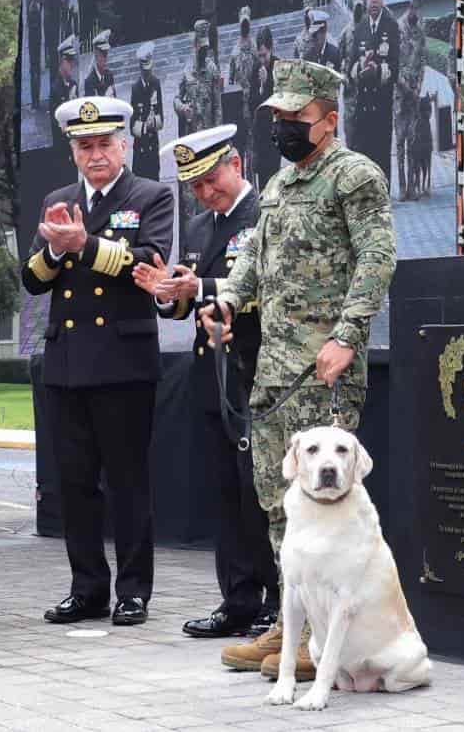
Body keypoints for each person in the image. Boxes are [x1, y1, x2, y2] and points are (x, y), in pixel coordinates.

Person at [201, 59, 396, 683]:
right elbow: (253, 256)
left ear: (329, 119)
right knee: (280, 505)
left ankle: (319, 638)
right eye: (278, 117)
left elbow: (378, 254)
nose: (283, 127)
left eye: (296, 118)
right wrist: (227, 299)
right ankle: (293, 624)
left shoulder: (353, 177)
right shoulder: (281, 186)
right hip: (274, 371)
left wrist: (348, 334)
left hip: (324, 367)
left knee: (326, 508)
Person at [22, 96, 174, 628]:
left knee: (128, 483)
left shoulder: (151, 196)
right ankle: (86, 588)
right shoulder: (59, 198)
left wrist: (83, 244)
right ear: (73, 153)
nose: (96, 154)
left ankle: (133, 591)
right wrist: (58, 250)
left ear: (125, 146)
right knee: (75, 484)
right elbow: (33, 278)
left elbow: (148, 262)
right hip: (66, 364)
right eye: (85, 146)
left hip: (124, 363)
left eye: (105, 144)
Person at [134, 125, 278, 639]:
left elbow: (269, 287)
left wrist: (204, 286)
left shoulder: (267, 214)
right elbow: (184, 302)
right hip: (209, 374)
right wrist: (165, 293)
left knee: (262, 492)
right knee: (226, 494)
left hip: (255, 371)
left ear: (236, 164)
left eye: (211, 179)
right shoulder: (197, 227)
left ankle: (278, 602)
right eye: (194, 185)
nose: (204, 192)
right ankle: (237, 598)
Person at [348, 0, 400, 183]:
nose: (375, 0)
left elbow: (395, 68)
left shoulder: (391, 25)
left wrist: (377, 70)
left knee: (381, 159)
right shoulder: (359, 29)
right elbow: (350, 67)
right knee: (365, 160)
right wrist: (360, 68)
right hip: (363, 106)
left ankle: (383, 203)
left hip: (381, 105)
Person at [395, 0, 427, 201]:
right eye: (414, 9)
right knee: (399, 144)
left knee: (412, 142)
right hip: (400, 95)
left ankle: (413, 188)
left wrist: (418, 87)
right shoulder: (398, 28)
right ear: (409, 7)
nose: (416, 13)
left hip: (414, 95)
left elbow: (423, 60)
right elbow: (394, 64)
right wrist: (405, 87)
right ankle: (402, 188)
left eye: (419, 9)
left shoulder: (420, 31)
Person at [176, 19, 223, 137]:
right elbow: (176, 99)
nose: (204, 52)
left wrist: (218, 134)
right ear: (195, 45)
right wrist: (183, 108)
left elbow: (217, 106)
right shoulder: (187, 71)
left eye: (206, 48)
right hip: (193, 132)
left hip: (209, 130)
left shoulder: (212, 69)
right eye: (201, 48)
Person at [247, 26, 280, 190]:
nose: (262, 60)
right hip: (260, 134)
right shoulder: (255, 70)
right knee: (263, 186)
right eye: (259, 56)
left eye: (264, 55)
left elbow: (281, 99)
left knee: (275, 181)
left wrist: (267, 84)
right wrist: (260, 87)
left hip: (275, 134)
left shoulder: (278, 66)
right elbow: (252, 102)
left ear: (271, 49)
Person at [129, 42, 164, 181]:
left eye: (150, 70)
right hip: (141, 149)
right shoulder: (135, 89)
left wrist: (154, 122)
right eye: (146, 71)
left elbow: (161, 116)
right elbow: (132, 126)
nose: (149, 73)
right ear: (141, 69)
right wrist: (144, 126)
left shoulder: (156, 83)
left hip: (153, 146)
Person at [229, 6, 259, 163]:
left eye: (247, 24)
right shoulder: (234, 53)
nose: (245, 27)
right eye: (242, 24)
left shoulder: (256, 50)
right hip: (239, 106)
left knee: (253, 148)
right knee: (240, 147)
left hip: (254, 104)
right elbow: (230, 81)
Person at [338, 0, 366, 145]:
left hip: (367, 96)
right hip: (350, 96)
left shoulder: (371, 30)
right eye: (356, 6)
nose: (358, 10)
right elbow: (337, 59)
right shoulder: (345, 34)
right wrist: (343, 75)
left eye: (360, 7)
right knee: (350, 138)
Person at [84, 29, 117, 98]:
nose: (105, 59)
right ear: (96, 55)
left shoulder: (109, 76)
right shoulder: (89, 82)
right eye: (102, 55)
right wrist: (106, 98)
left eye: (106, 54)